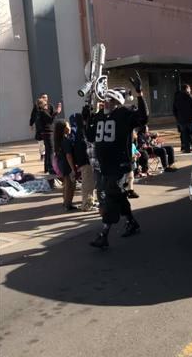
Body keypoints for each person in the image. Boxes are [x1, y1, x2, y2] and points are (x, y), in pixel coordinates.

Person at [86, 72, 148, 249]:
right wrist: (87, 119)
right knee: (118, 196)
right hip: (104, 165)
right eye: (106, 99)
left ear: (118, 103)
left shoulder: (124, 114)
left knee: (111, 198)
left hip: (119, 165)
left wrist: (139, 94)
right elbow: (90, 136)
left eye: (111, 100)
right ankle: (132, 222)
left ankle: (103, 234)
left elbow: (143, 118)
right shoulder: (99, 116)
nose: (106, 102)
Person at [69, 113, 96, 212]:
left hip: (83, 162)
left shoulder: (76, 133)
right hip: (86, 162)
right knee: (88, 184)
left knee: (88, 183)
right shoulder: (81, 133)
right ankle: (86, 205)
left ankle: (89, 202)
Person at [34, 94, 62, 173]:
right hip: (48, 133)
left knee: (48, 150)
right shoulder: (42, 112)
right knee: (51, 150)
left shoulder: (41, 112)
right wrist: (57, 111)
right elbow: (50, 120)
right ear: (41, 105)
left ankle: (47, 168)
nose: (47, 105)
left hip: (45, 133)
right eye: (45, 104)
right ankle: (51, 168)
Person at [53, 120, 77, 211]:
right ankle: (68, 204)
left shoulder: (58, 139)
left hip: (61, 163)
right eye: (68, 126)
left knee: (66, 183)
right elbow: (69, 156)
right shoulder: (65, 140)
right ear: (64, 129)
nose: (70, 127)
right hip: (67, 164)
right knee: (70, 185)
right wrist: (73, 169)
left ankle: (66, 202)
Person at [173, 84, 192, 153]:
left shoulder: (177, 98)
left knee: (185, 136)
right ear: (187, 89)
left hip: (182, 121)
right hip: (191, 120)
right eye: (190, 89)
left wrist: (178, 118)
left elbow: (174, 110)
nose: (190, 90)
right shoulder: (191, 97)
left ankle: (187, 149)